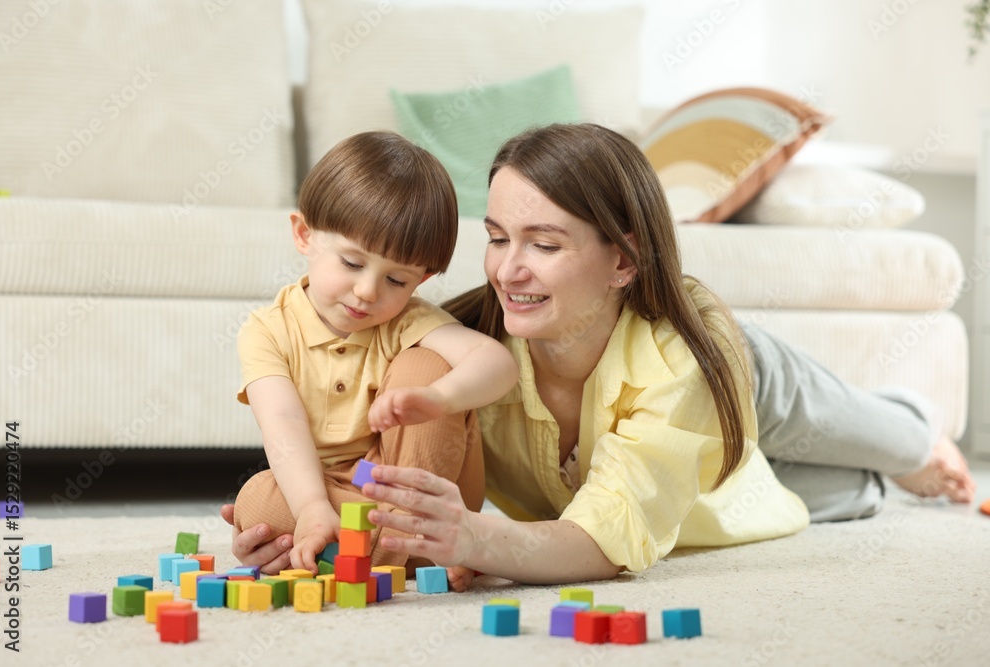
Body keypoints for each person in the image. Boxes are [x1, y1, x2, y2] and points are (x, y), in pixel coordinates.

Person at [223, 123, 975, 583]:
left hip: (738, 380)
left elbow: (605, 541)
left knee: (889, 439)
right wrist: (301, 519)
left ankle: (914, 428)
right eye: (496, 239)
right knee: (819, 498)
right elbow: (347, 441)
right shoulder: (462, 341)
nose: (507, 270)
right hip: (705, 479)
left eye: (544, 245)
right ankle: (878, 481)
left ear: (622, 260)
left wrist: (480, 537)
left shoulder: (682, 355)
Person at [230, 131, 518, 574]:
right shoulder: (267, 331)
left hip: (411, 478)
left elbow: (498, 363)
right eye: (351, 263)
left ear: (420, 282)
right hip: (335, 488)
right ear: (305, 235)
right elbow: (282, 422)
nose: (367, 292)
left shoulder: (405, 321)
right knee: (255, 501)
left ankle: (385, 546)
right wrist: (309, 508)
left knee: (425, 364)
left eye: (396, 281)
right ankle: (422, 551)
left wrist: (440, 398)